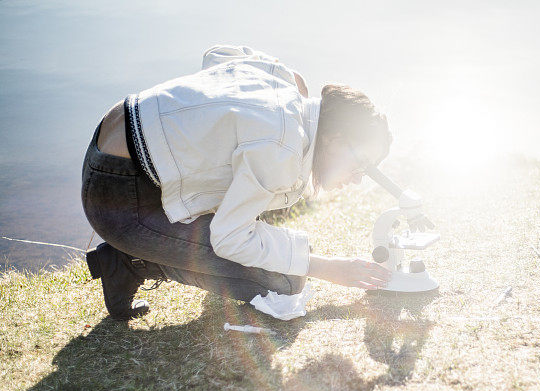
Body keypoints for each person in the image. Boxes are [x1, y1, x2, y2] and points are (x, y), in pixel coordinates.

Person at [82, 44, 393, 321]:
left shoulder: (285, 84)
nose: (356, 180)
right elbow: (229, 238)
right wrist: (329, 268)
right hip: (120, 200)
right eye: (360, 165)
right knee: (285, 281)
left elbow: (217, 55)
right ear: (336, 137)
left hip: (109, 142)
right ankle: (130, 261)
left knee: (270, 235)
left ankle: (154, 243)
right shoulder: (282, 147)